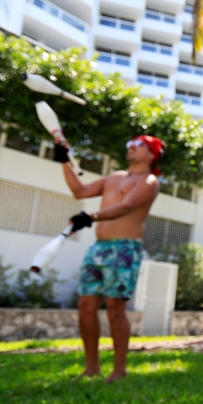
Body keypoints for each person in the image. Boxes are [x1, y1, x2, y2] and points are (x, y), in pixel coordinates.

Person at [55, 135, 163, 382]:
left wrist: (89, 217)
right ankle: (92, 367)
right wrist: (64, 162)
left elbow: (126, 207)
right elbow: (80, 191)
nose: (132, 147)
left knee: (115, 308)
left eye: (139, 145)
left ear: (151, 154)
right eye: (130, 144)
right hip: (98, 248)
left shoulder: (149, 182)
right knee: (85, 306)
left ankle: (119, 370)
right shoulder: (114, 177)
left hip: (124, 249)